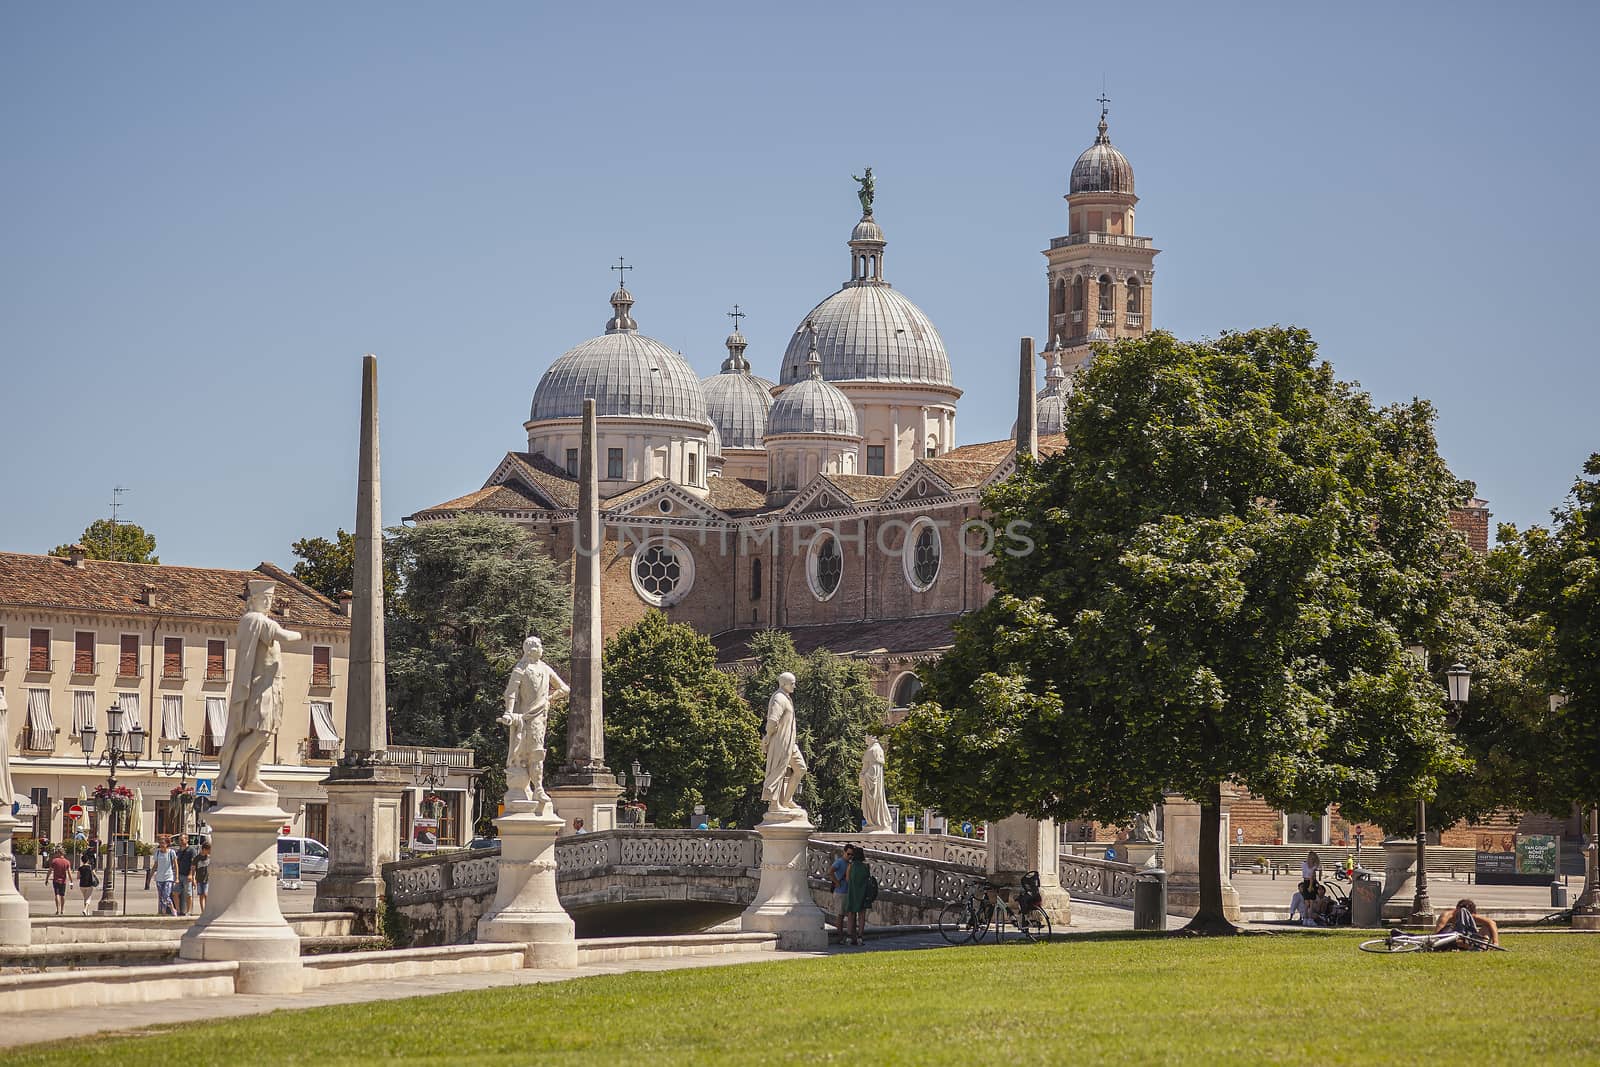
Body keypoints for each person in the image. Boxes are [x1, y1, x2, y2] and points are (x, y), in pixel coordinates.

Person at [1434, 898, 1501, 948]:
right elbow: (1438, 935)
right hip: (1452, 940)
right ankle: (1473, 946)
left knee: (1486, 928)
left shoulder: (1470, 916)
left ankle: (1483, 945)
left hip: (1469, 939)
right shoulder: (1447, 916)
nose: (1464, 917)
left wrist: (1495, 942)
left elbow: (1492, 923)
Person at [844, 844, 872, 946]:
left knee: (851, 915)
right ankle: (860, 937)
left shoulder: (850, 866)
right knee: (861, 916)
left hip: (852, 892)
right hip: (863, 892)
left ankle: (849, 937)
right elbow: (868, 878)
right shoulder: (866, 866)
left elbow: (847, 879)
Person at [152, 838, 178, 915]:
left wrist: (176, 877)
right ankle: (163, 912)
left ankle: (173, 909)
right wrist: (150, 875)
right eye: (160, 843)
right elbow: (155, 865)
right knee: (161, 897)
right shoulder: (157, 853)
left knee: (166, 896)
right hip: (159, 878)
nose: (161, 845)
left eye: (163, 843)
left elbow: (176, 865)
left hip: (168, 877)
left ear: (167, 844)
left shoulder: (171, 852)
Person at [173, 834, 196, 916]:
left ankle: (188, 911)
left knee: (188, 894)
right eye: (180, 840)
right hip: (179, 875)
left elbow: (193, 864)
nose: (180, 842)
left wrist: (191, 874)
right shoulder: (178, 851)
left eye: (182, 840)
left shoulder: (191, 850)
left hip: (187, 875)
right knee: (175, 893)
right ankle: (178, 911)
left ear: (187, 840)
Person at [830, 846, 851, 932]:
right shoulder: (839, 862)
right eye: (848, 854)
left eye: (852, 854)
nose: (850, 856)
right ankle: (840, 936)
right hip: (840, 892)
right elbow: (830, 871)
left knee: (846, 915)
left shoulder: (849, 863)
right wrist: (836, 882)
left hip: (846, 891)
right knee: (840, 915)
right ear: (844, 852)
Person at [47, 848, 71, 915]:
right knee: (62, 895)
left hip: (56, 880)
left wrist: (47, 879)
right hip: (63, 881)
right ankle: (62, 910)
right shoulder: (67, 862)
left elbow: (50, 870)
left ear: (59, 853)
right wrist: (71, 881)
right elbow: (69, 872)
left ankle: (57, 910)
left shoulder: (54, 861)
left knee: (57, 894)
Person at [77, 848, 99, 914]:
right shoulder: (90, 867)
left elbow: (78, 877)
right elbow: (94, 874)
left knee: (85, 898)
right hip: (89, 884)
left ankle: (87, 912)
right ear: (88, 860)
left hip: (82, 885)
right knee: (88, 898)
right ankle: (85, 909)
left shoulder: (80, 868)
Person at [192, 840, 211, 913]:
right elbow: (193, 868)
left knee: (206, 894)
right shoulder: (197, 858)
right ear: (204, 849)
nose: (209, 852)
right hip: (199, 879)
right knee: (201, 895)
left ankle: (206, 910)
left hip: (207, 879)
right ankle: (202, 910)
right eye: (208, 850)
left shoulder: (209, 858)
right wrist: (193, 878)